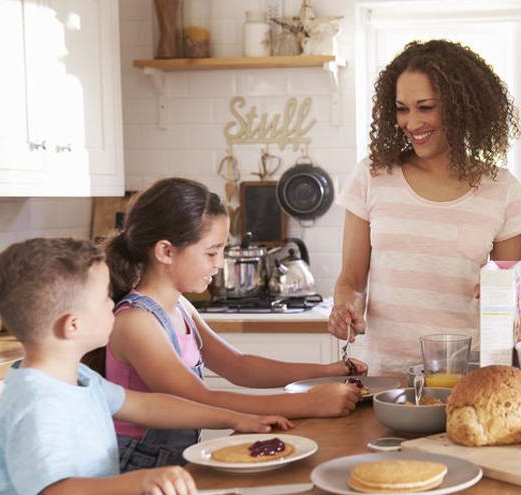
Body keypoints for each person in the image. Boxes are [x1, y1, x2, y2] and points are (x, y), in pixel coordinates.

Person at [0, 238, 293, 495]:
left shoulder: (78, 378)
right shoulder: (38, 404)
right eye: (104, 298)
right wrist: (143, 480)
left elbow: (150, 406)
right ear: (72, 325)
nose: (113, 303)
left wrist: (233, 418)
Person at [102, 178, 366, 472]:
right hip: (136, 468)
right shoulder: (137, 322)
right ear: (165, 251)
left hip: (172, 464)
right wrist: (308, 403)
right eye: (211, 252)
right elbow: (200, 399)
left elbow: (238, 365)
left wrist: (328, 372)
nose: (219, 264)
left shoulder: (180, 307)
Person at [328, 39, 521, 376]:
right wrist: (346, 309)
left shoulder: (502, 189)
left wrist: (503, 295)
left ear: (461, 107)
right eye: (402, 108)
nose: (411, 122)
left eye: (425, 107)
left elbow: (507, 293)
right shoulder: (372, 175)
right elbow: (351, 278)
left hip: (464, 376)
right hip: (382, 376)